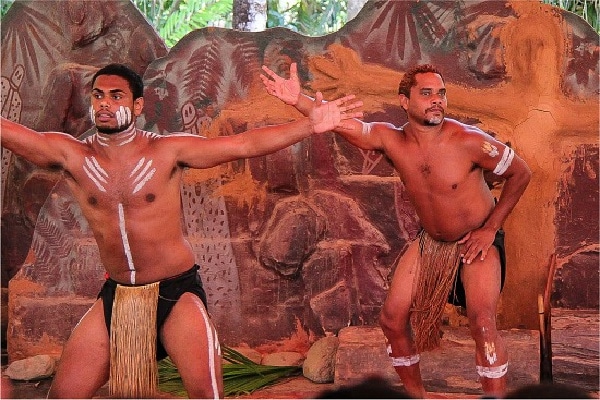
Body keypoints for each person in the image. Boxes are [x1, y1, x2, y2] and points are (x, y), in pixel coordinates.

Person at [0, 63, 363, 399]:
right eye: (98, 95)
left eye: (116, 96)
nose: (105, 104)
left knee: (207, 395)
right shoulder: (73, 156)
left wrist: (308, 125)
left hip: (175, 294)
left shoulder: (167, 151)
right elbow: (12, 133)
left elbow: (242, 145)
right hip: (119, 297)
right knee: (63, 395)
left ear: (138, 105)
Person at [261, 63, 532, 398]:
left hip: (476, 241)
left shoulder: (470, 141)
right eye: (427, 93)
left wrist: (491, 229)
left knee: (482, 323)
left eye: (441, 93)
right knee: (391, 318)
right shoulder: (391, 140)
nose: (437, 100)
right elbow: (343, 124)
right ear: (405, 101)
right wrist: (297, 100)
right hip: (431, 242)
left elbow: (521, 173)